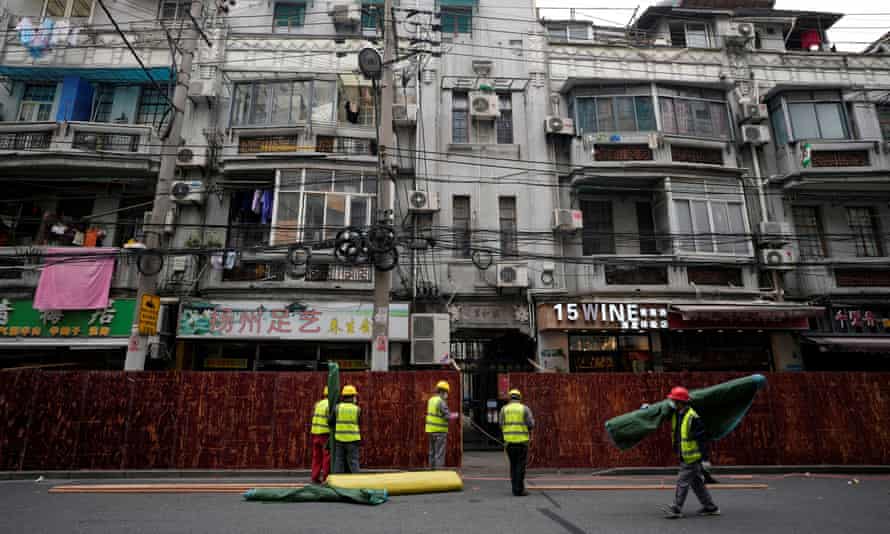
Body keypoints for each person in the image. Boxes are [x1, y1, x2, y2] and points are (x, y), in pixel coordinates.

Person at [663, 386, 720, 519]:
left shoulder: (692, 417)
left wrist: (705, 459)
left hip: (692, 458)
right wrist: (648, 409)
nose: (672, 403)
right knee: (697, 483)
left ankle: (676, 508)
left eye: (674, 401)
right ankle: (710, 507)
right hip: (685, 455)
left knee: (682, 481)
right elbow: (664, 414)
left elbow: (702, 439)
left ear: (680, 402)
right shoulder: (678, 414)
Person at [499, 389, 534, 497]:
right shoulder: (524, 409)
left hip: (509, 443)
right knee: (520, 466)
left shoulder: (504, 409)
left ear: (510, 398)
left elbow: (501, 424)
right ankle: (519, 490)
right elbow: (531, 424)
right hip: (522, 442)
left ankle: (515, 488)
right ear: (519, 397)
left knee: (513, 466)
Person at [426, 380, 458, 470]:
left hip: (430, 431)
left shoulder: (431, 400)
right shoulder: (441, 402)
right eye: (446, 393)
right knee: (439, 454)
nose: (447, 395)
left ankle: (431, 472)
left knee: (432, 452)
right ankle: (439, 474)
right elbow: (447, 416)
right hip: (439, 432)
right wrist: (457, 415)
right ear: (443, 392)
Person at [331, 385, 361, 474]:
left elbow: (330, 421)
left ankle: (338, 481)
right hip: (353, 440)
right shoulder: (357, 409)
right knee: (353, 461)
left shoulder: (337, 408)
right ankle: (356, 481)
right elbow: (359, 422)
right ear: (352, 397)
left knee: (339, 460)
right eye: (355, 396)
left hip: (340, 439)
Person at [309, 386, 330, 484]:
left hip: (315, 433)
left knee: (317, 457)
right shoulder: (330, 404)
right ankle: (326, 478)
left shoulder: (318, 404)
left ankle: (315, 477)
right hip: (325, 433)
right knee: (327, 457)